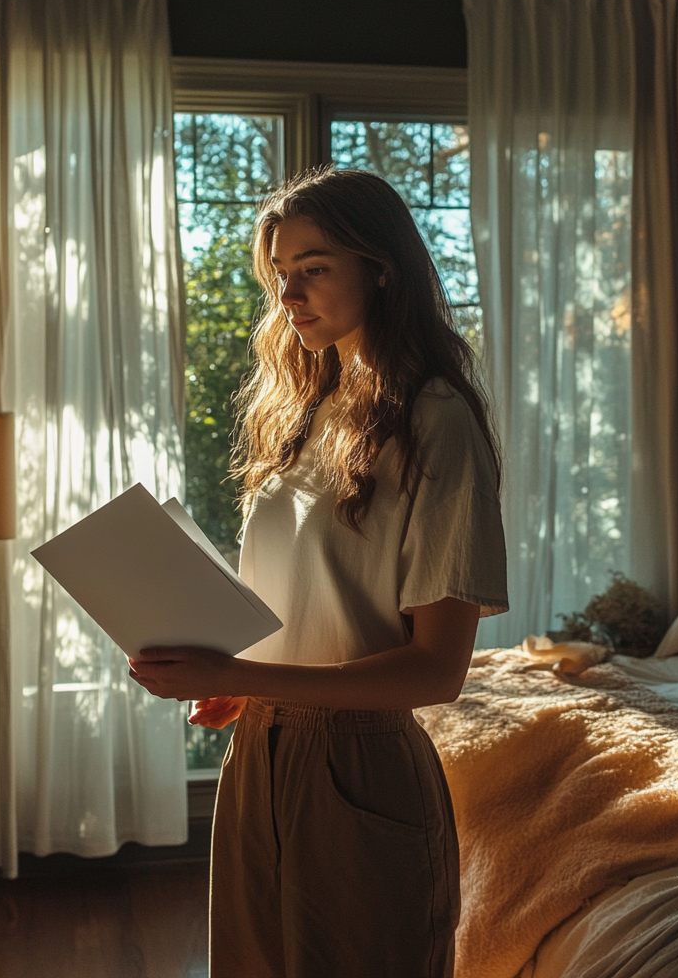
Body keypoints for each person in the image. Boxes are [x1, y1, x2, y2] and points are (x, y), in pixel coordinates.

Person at [129, 167, 508, 978]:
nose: (289, 294)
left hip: (361, 772)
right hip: (257, 758)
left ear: (382, 267)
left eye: (313, 268)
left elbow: (438, 670)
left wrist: (237, 668)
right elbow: (309, 601)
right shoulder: (306, 413)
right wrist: (243, 679)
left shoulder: (436, 423)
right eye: (280, 275)